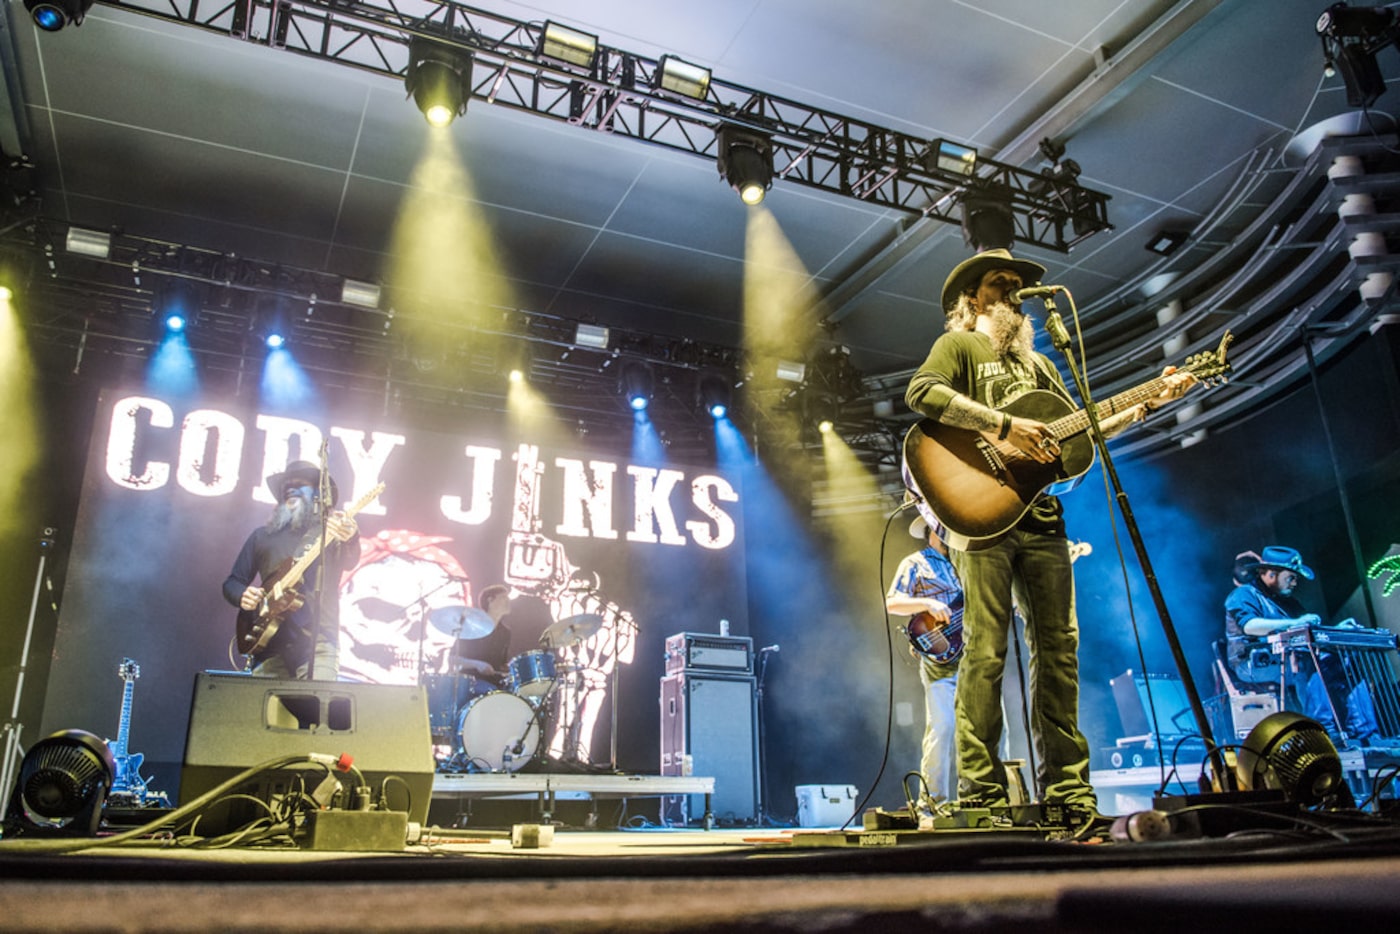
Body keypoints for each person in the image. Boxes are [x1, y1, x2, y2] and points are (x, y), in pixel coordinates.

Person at [905, 248, 1196, 814]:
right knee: (986, 652)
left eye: (1018, 285)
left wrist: (1147, 403)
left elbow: (1074, 433)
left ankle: (1068, 791)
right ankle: (982, 793)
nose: (1014, 291)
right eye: (1001, 283)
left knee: (1059, 652)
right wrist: (1003, 424)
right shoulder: (959, 346)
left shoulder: (1040, 367)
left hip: (1042, 522)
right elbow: (923, 394)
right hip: (982, 523)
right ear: (973, 298)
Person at [1224, 546, 1379, 743]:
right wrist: (1294, 622)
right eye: (1291, 577)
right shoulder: (1244, 594)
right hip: (1253, 664)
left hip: (1290, 657)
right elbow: (1250, 626)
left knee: (1347, 661)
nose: (1295, 582)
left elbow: (1309, 632)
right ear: (1270, 573)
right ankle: (1321, 730)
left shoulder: (1288, 602)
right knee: (1308, 661)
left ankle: (1366, 734)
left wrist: (1337, 629)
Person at [223, 460, 360, 680]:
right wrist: (242, 595)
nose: (290, 487)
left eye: (300, 483)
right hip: (268, 644)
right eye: (286, 484)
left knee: (317, 710)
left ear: (318, 493)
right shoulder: (262, 537)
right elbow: (232, 583)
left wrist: (351, 537)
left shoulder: (330, 535)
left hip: (319, 643)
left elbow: (351, 560)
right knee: (266, 712)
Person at [885, 511, 962, 816]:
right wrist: (928, 603)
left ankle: (991, 799)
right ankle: (932, 804)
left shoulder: (968, 561)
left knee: (992, 729)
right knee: (942, 727)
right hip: (940, 657)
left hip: (975, 653)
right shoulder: (916, 563)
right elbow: (892, 602)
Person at [453, 583, 513, 685]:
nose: (508, 601)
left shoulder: (505, 632)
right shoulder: (472, 627)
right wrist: (477, 664)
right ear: (490, 600)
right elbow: (452, 659)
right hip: (470, 682)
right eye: (503, 597)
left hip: (494, 684)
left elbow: (502, 665)